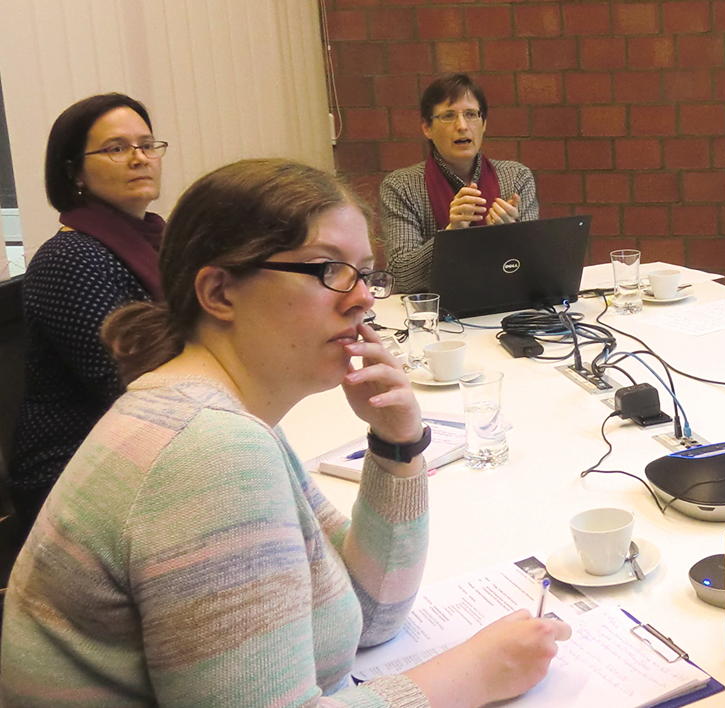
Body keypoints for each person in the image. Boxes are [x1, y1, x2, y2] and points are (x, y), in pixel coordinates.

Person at [1, 159, 570, 706]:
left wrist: (396, 446)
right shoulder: (208, 452)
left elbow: (369, 614)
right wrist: (475, 675)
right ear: (219, 293)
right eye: (328, 270)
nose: (363, 299)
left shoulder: (220, 416)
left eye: (364, 273)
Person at [10, 93, 168, 534]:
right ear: (74, 171)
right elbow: (129, 381)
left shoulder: (158, 241)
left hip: (147, 452)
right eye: (117, 148)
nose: (139, 158)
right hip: (76, 474)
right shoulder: (71, 258)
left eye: (147, 145)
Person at [380, 73, 539, 292]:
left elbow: (535, 266)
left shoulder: (516, 177)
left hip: (506, 301)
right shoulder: (401, 186)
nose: (462, 126)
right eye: (448, 116)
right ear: (427, 128)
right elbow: (401, 276)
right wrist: (451, 234)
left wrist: (509, 237)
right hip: (439, 308)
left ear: (484, 124)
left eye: (471, 114)